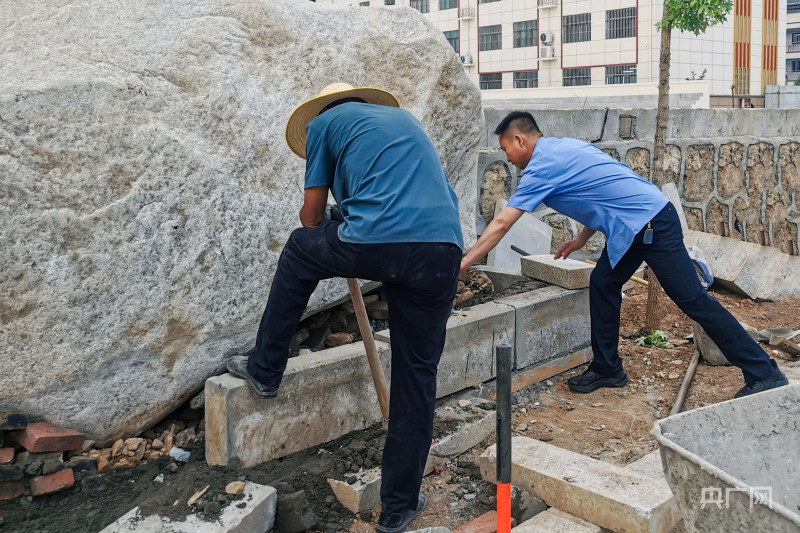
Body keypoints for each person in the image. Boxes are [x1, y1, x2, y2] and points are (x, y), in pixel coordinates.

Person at [227, 83, 463, 533]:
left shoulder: (322, 125)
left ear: (326, 110)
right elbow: (402, 202)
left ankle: (265, 368)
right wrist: (348, 216)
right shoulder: (405, 123)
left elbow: (312, 217)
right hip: (441, 251)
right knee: (417, 377)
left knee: (299, 250)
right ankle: (398, 508)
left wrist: (329, 221)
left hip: (378, 242)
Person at [460, 111, 788, 398]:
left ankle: (764, 371)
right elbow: (602, 192)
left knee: (692, 300)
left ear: (519, 139)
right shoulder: (566, 148)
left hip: (650, 224)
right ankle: (607, 369)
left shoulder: (541, 166)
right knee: (604, 282)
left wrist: (464, 262)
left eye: (506, 150)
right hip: (634, 225)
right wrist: (579, 241)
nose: (508, 159)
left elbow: (503, 222)